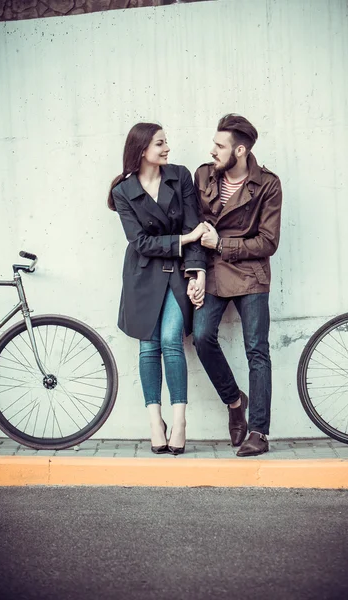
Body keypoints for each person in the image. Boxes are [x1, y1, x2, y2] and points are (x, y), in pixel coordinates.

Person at [108, 123, 206, 455]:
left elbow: (194, 225)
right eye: (160, 143)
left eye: (166, 142)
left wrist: (196, 272)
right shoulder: (123, 191)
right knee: (148, 346)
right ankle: (155, 421)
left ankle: (179, 422)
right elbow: (140, 241)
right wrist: (183, 239)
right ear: (141, 150)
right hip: (143, 276)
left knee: (169, 339)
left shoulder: (180, 176)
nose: (167, 148)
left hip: (178, 273)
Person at [189, 114, 282, 456]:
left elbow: (268, 242)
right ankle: (234, 400)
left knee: (257, 350)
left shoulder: (268, 184)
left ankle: (259, 431)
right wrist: (195, 270)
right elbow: (194, 225)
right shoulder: (202, 176)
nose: (212, 150)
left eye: (219, 145)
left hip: (251, 273)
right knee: (201, 337)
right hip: (212, 271)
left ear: (239, 150)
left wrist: (224, 246)